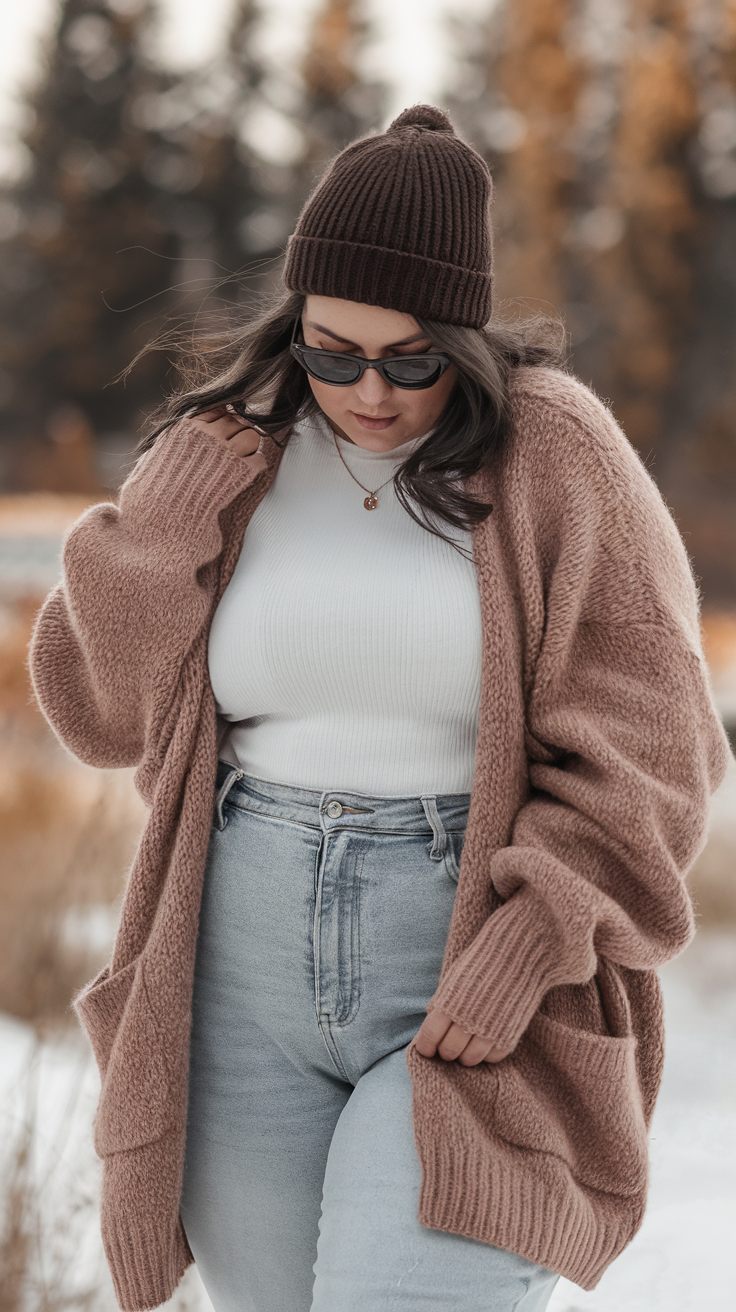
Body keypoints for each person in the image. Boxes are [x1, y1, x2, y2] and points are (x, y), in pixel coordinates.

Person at [30, 105, 730, 1312]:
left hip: (462, 956)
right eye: (330, 349)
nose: (368, 389)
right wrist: (155, 530)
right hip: (234, 961)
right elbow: (98, 713)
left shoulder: (552, 448)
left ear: (461, 339)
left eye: (410, 360)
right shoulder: (228, 454)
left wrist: (537, 931)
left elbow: (659, 739)